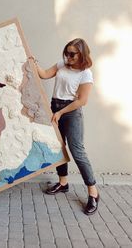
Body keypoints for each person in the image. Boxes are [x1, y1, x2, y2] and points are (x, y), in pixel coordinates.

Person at [29, 38, 99, 215]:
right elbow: (44, 74)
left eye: (72, 54)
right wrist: (33, 62)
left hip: (71, 112)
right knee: (58, 147)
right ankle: (63, 183)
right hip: (55, 108)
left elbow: (82, 101)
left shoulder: (86, 73)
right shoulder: (63, 64)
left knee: (78, 151)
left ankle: (93, 192)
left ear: (82, 53)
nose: (68, 56)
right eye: (66, 53)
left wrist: (61, 113)